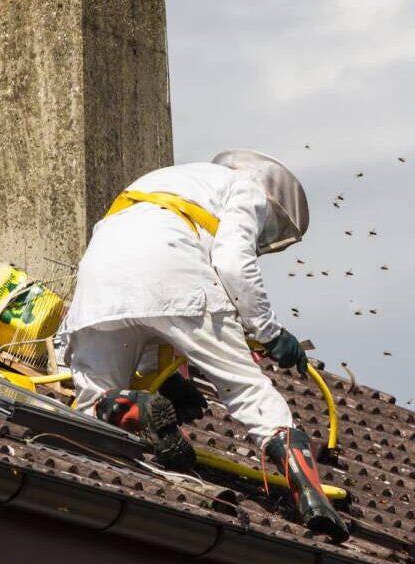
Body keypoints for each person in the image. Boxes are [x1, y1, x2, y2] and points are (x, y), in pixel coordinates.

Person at [60, 150, 349, 542]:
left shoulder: (169, 179)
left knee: (91, 402)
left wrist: (166, 385)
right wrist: (271, 333)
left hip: (100, 279)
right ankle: (313, 500)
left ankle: (137, 406)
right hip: (175, 269)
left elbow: (145, 313)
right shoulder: (247, 190)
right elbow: (232, 262)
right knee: (250, 392)